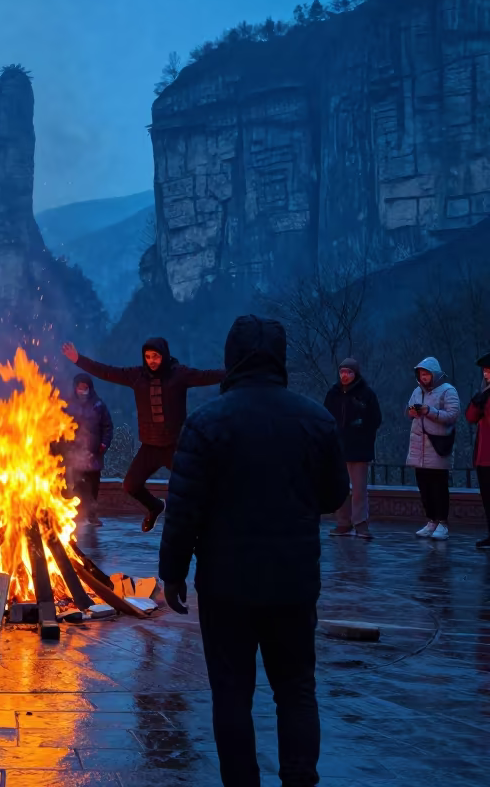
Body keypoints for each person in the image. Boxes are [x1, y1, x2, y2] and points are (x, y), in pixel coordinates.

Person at [159, 315, 349, 787]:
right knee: (297, 691)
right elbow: (334, 495)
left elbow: (184, 510)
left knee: (231, 694)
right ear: (279, 359)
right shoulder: (315, 419)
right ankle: (300, 780)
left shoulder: (206, 424)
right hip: (294, 581)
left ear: (231, 359)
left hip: (227, 587)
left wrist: (173, 572)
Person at [62, 336, 224, 532]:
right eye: (147, 357)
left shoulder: (179, 375)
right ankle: (155, 506)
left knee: (195, 484)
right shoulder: (137, 376)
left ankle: (211, 523)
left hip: (175, 446)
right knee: (130, 485)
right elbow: (106, 372)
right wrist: (78, 359)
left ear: (164, 355)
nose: (151, 361)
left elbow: (207, 376)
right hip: (150, 447)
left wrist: (239, 372)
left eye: (155, 356)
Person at [323, 358, 382, 539]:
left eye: (348, 372)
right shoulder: (333, 394)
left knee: (359, 489)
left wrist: (361, 429)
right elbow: (324, 416)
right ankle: (343, 522)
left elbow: (376, 419)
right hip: (338, 448)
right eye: (342, 372)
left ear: (355, 374)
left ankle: (360, 523)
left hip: (359, 447)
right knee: (341, 487)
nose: (345, 375)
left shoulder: (366, 394)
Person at [406, 357, 461, 541]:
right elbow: (408, 411)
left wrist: (430, 411)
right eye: (421, 374)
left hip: (438, 445)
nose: (424, 378)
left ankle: (443, 523)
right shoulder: (417, 391)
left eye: (427, 374)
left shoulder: (448, 390)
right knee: (424, 487)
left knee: (439, 487)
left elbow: (453, 415)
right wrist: (412, 412)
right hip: (418, 447)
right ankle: (431, 521)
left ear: (434, 374)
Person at [64, 373, 114, 525]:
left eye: (85, 387)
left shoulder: (98, 405)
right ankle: (76, 514)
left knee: (93, 486)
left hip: (94, 454)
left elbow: (108, 427)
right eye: (80, 387)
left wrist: (103, 444)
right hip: (74, 453)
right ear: (75, 388)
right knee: (76, 484)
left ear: (90, 388)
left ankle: (92, 515)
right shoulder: (68, 405)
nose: (82, 390)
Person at [467, 352, 490, 550]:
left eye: (489, 370)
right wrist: (477, 402)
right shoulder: (484, 393)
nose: (486, 374)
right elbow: (471, 417)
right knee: (487, 498)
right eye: (485, 370)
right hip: (483, 456)